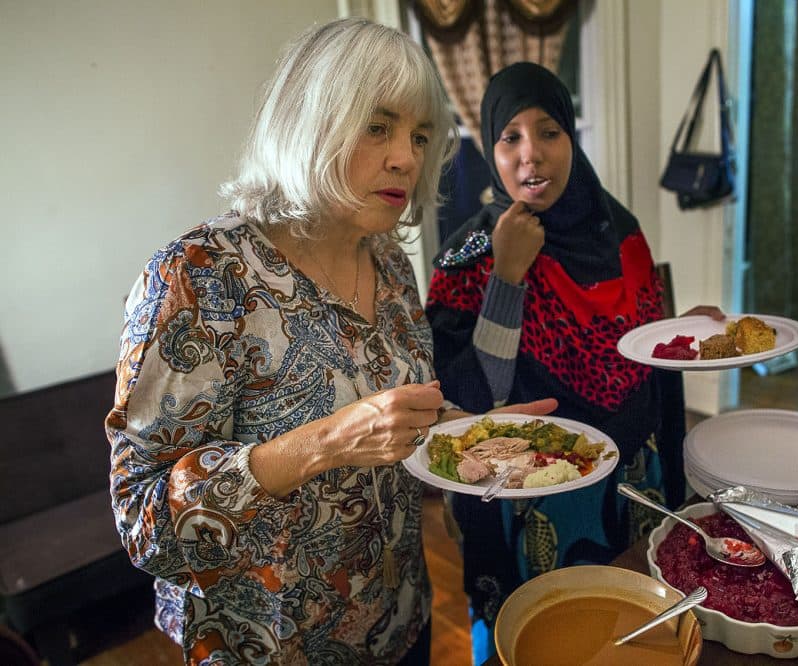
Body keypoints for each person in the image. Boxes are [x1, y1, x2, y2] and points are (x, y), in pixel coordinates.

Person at [106, 20, 553, 665]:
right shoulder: (201, 275)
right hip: (270, 647)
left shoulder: (392, 265)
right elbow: (142, 522)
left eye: (420, 136)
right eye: (378, 126)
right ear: (309, 121)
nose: (406, 155)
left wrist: (472, 432)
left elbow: (394, 423)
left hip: (402, 621)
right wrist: (324, 444)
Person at [425, 61, 724, 663]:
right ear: (489, 148)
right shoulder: (468, 255)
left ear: (571, 138)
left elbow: (643, 358)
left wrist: (682, 333)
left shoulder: (621, 232)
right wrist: (508, 276)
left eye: (548, 132)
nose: (530, 156)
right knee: (537, 641)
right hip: (528, 495)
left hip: (634, 484)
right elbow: (478, 399)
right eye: (510, 137)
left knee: (630, 635)